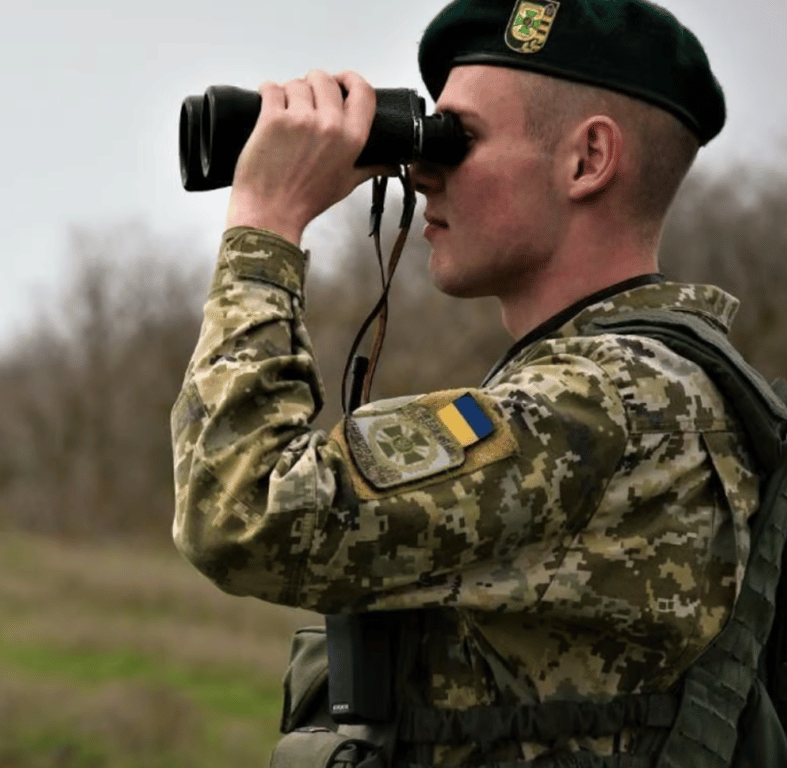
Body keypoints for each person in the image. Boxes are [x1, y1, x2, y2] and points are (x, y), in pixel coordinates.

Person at [169, 0, 762, 764]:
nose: (419, 171)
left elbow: (243, 512)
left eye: (459, 140)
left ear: (588, 160)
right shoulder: (647, 388)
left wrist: (266, 220)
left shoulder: (607, 405)